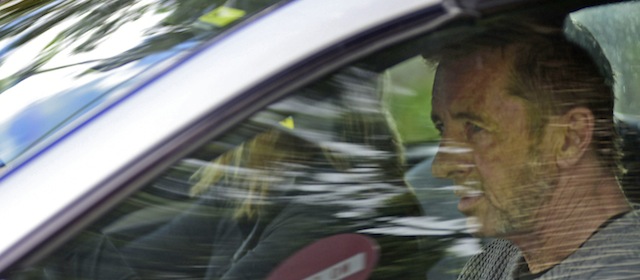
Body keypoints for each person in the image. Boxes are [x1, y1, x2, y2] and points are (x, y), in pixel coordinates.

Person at [426, 16, 640, 279]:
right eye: (441, 128)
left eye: (475, 128)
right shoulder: (494, 263)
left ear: (568, 139)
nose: (441, 166)